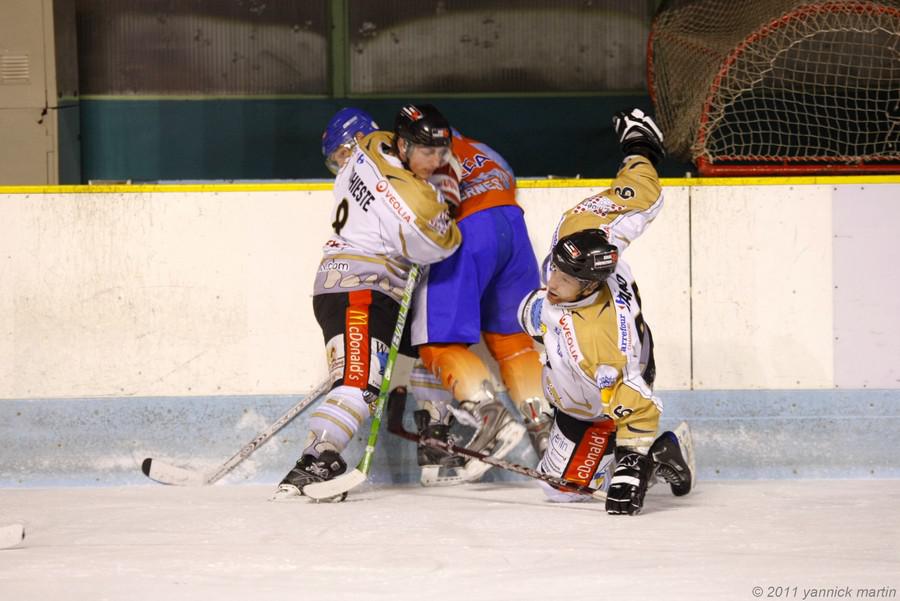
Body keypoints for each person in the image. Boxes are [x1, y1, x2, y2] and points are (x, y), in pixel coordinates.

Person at [274, 103, 462, 500]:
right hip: (359, 289)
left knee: (422, 352)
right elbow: (435, 246)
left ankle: (434, 437)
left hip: (361, 287)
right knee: (359, 383)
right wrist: (444, 213)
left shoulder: (369, 148)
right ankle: (313, 462)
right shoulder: (404, 192)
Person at [517, 108, 694, 515]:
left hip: (602, 398)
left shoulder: (602, 342)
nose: (552, 281)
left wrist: (631, 471)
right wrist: (639, 148)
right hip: (578, 380)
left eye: (564, 279)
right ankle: (609, 454)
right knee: (559, 485)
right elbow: (641, 195)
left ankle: (657, 455)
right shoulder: (581, 232)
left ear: (590, 285)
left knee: (564, 491)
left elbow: (639, 405)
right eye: (554, 268)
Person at [406, 128, 548, 485]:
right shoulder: (483, 148)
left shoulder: (415, 152)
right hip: (513, 230)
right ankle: (546, 434)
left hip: (469, 230)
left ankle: (490, 417)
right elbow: (507, 182)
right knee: (514, 342)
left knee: (438, 342)